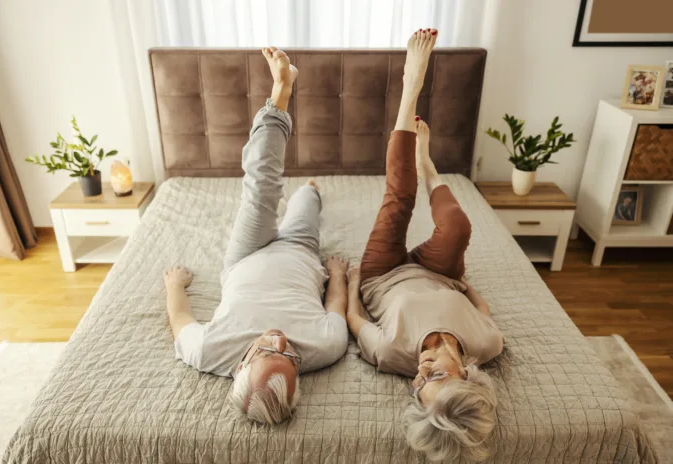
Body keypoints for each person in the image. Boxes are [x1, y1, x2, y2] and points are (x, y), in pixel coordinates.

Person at [163, 47, 350, 426]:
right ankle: (311, 191)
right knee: (306, 199)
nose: (280, 339)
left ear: (241, 365)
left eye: (267, 350)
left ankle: (280, 91)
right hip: (300, 252)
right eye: (290, 355)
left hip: (246, 255)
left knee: (261, 188)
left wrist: (175, 286)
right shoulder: (326, 348)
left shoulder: (209, 352)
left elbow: (181, 318)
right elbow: (335, 306)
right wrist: (339, 275)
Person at [345, 29, 504, 462]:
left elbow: (353, 317)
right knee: (457, 227)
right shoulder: (487, 346)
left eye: (417, 388)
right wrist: (462, 283)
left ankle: (410, 86)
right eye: (433, 378)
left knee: (399, 198)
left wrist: (355, 278)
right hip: (439, 274)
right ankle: (430, 166)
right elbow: (485, 313)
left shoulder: (391, 354)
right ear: (465, 375)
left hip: (382, 275)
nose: (419, 375)